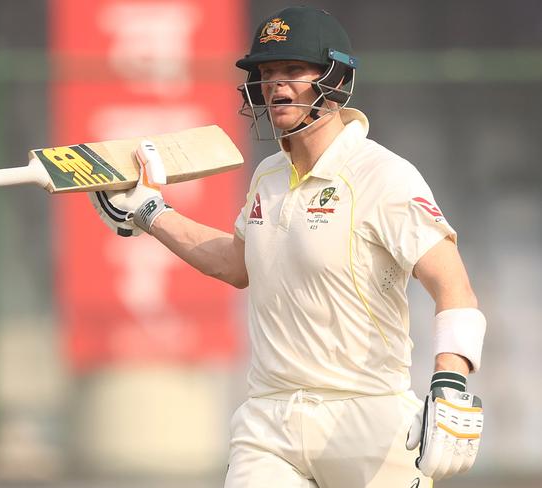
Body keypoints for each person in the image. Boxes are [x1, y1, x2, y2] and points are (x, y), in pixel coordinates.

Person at [89, 6, 486, 487]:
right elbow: (237, 264)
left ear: (336, 79)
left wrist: (451, 382)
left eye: (294, 71)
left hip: (366, 420)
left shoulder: (382, 175)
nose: (276, 85)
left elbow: (453, 286)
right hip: (269, 421)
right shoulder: (268, 176)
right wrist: (151, 214)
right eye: (267, 73)